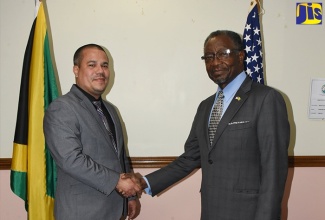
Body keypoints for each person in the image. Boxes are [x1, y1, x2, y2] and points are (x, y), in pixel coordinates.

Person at [129, 30, 290, 220]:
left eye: (223, 54)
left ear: (240, 55)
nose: (215, 63)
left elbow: (274, 169)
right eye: (209, 57)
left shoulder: (266, 99)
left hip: (249, 214)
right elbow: (190, 158)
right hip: (211, 211)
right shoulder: (206, 106)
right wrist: (145, 182)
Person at [43, 44, 141, 220]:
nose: (100, 71)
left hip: (114, 209)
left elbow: (119, 157)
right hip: (82, 212)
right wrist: (117, 182)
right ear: (76, 69)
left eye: (104, 65)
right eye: (92, 65)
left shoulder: (111, 110)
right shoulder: (62, 108)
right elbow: (70, 159)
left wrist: (130, 197)